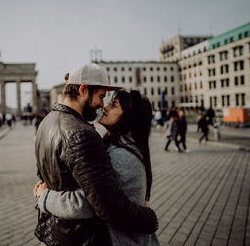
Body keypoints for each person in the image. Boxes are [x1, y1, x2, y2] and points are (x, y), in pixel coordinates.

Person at [33, 64, 158, 245]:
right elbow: (101, 204)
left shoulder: (46, 123)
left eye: (111, 103)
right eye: (101, 97)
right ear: (83, 89)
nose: (102, 105)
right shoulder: (81, 134)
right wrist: (148, 218)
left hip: (65, 232)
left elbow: (97, 200)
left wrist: (45, 195)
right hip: (78, 235)